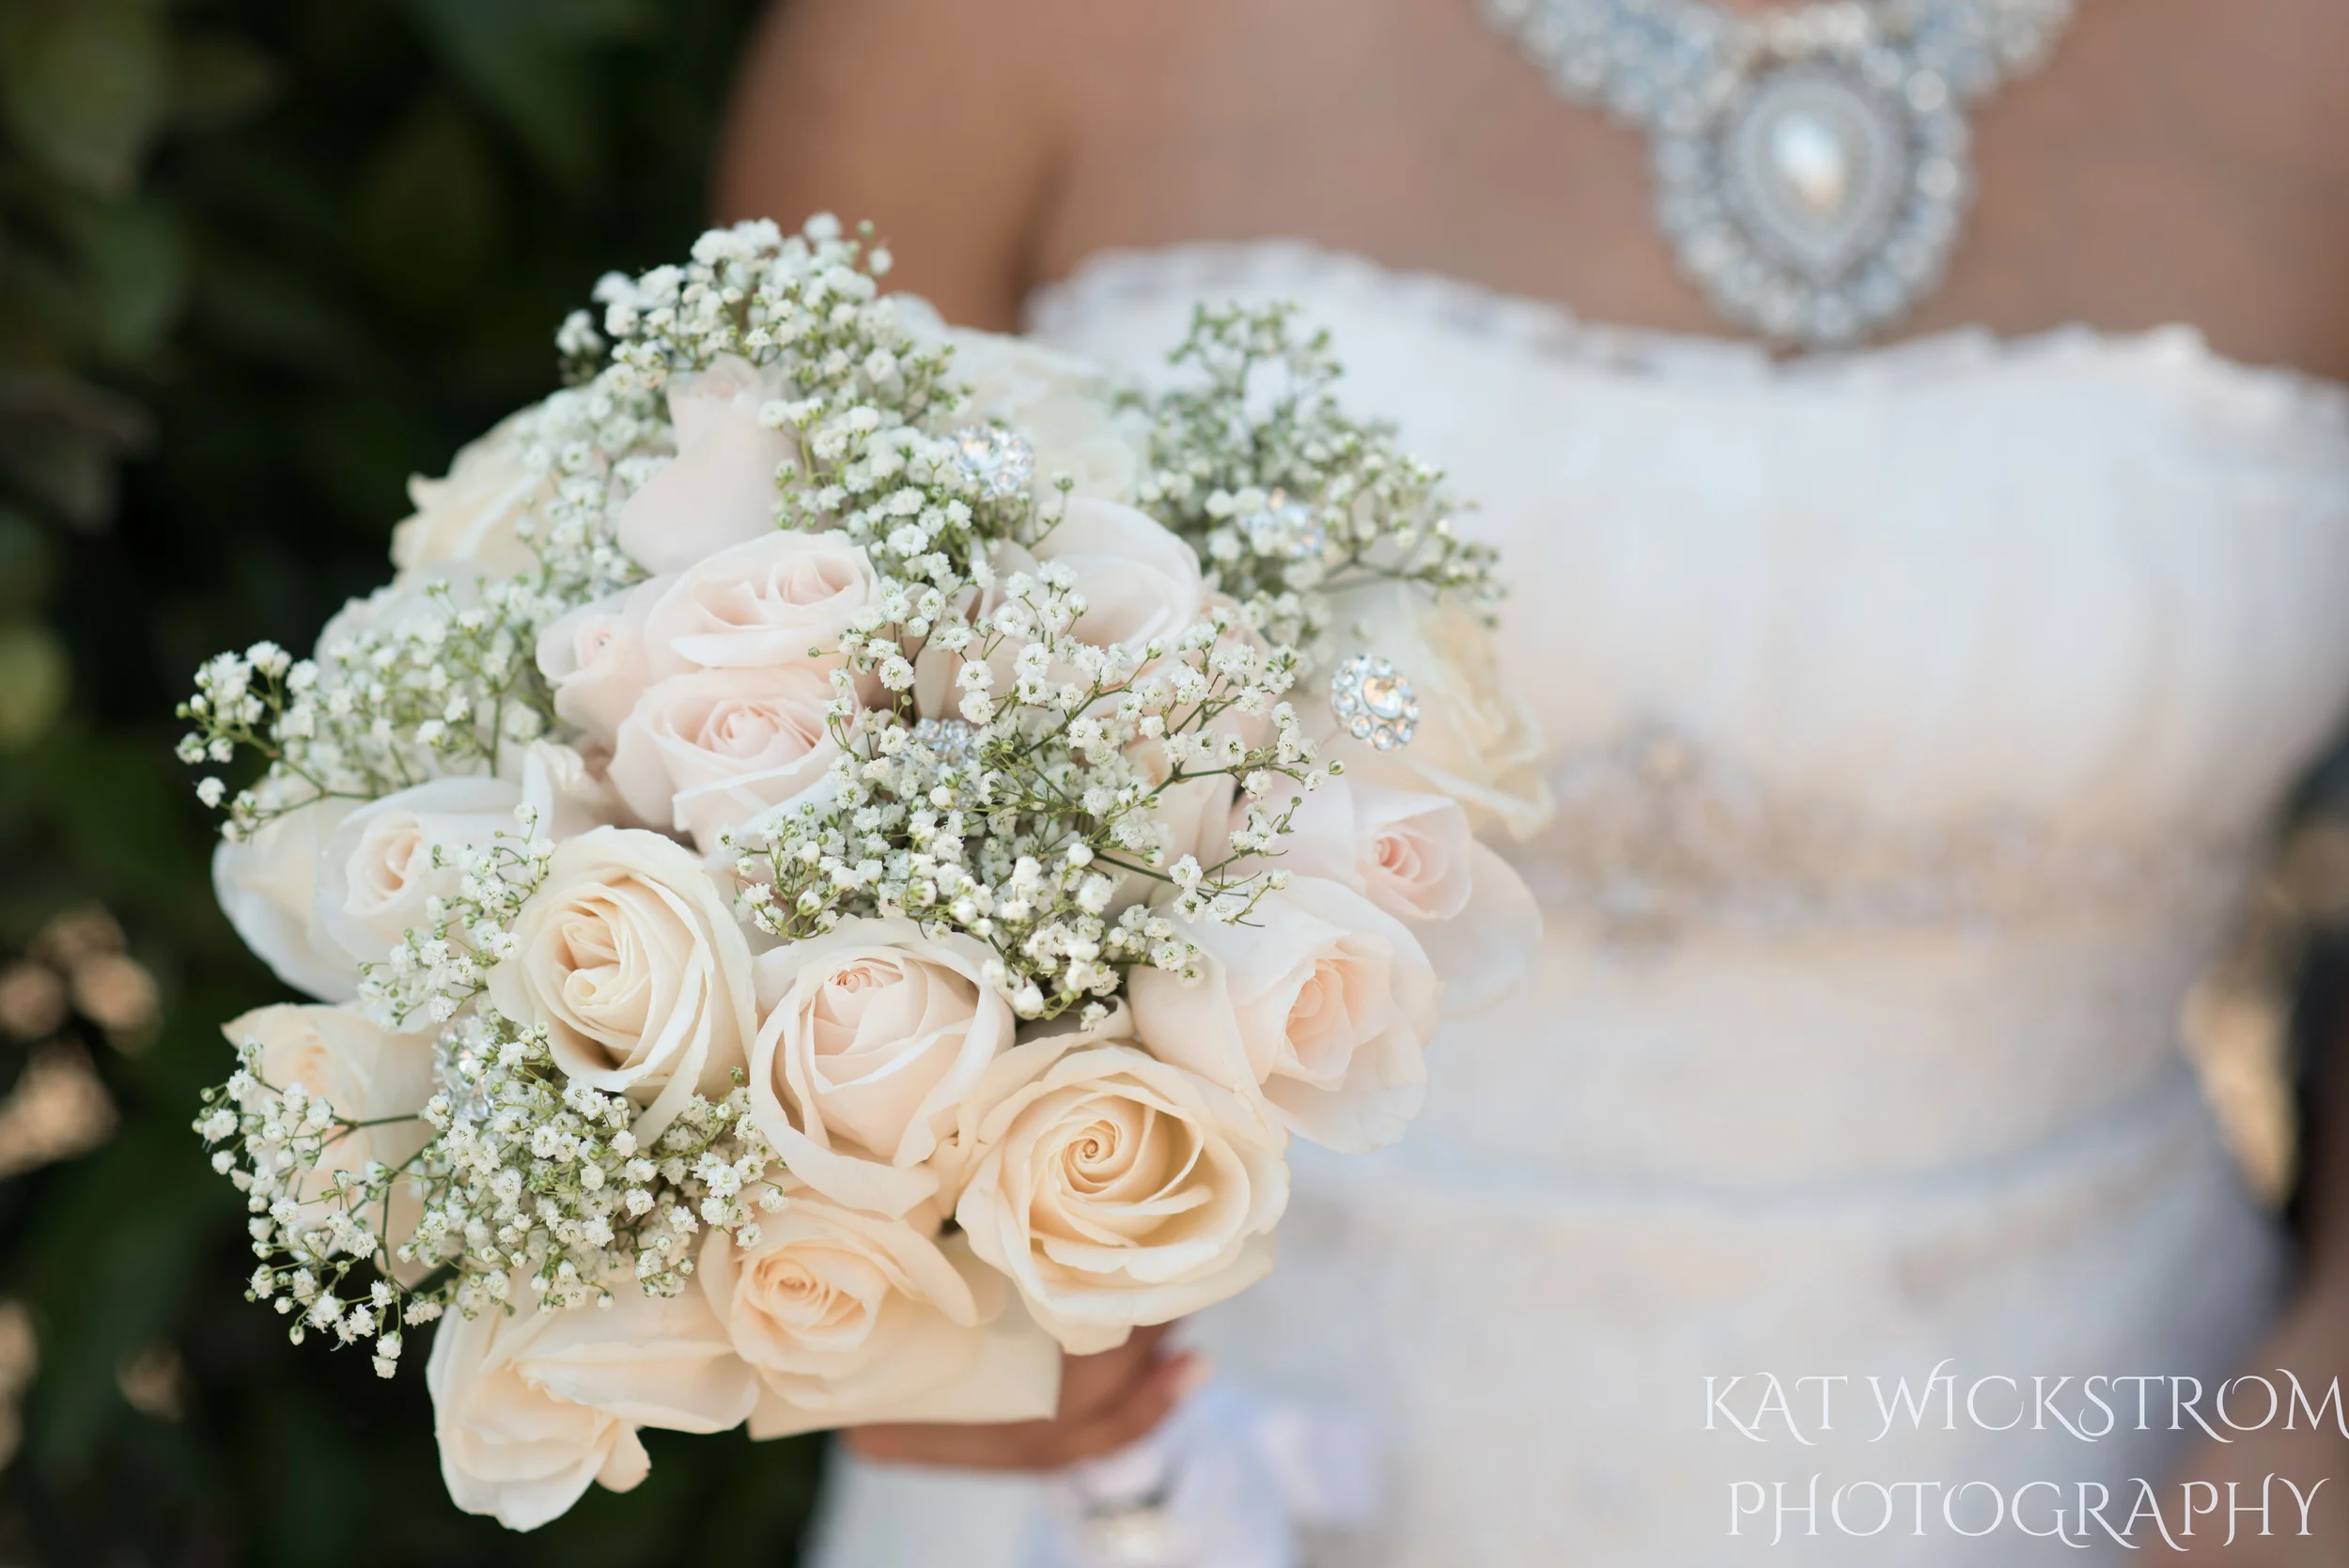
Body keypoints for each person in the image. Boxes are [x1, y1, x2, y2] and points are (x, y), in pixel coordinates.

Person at [716, 0, 2349, 1560]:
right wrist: (873, 1262)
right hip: (1171, 1473)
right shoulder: (989, 36)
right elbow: (702, 747)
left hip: (2136, 1463)